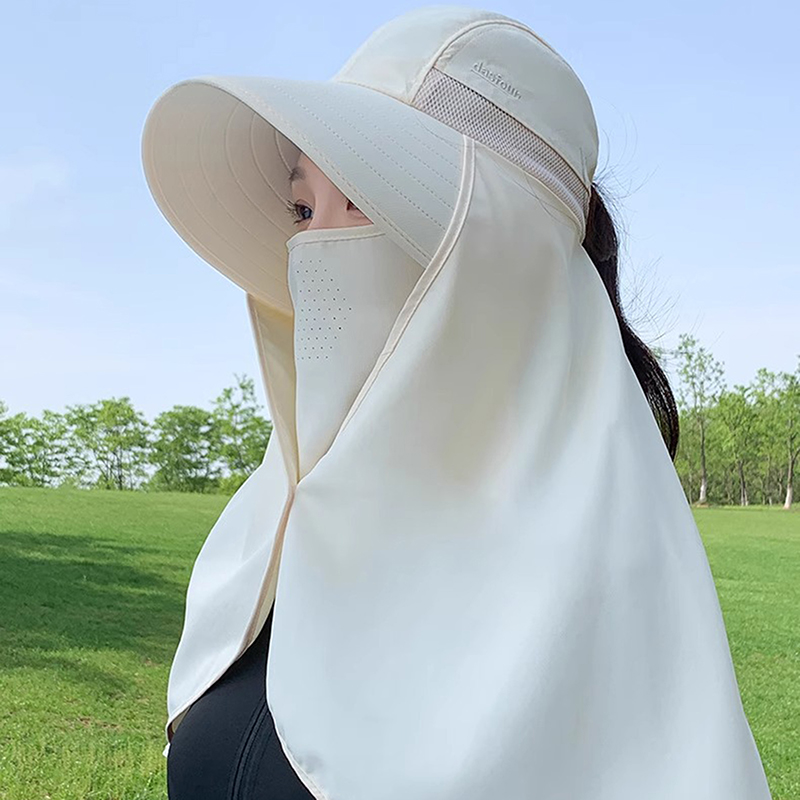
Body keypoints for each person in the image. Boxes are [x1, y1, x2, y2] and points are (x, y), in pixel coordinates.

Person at [141, 6, 774, 799]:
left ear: (502, 257)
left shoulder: (607, 599)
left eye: (367, 200)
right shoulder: (268, 530)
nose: (317, 248)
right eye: (303, 209)